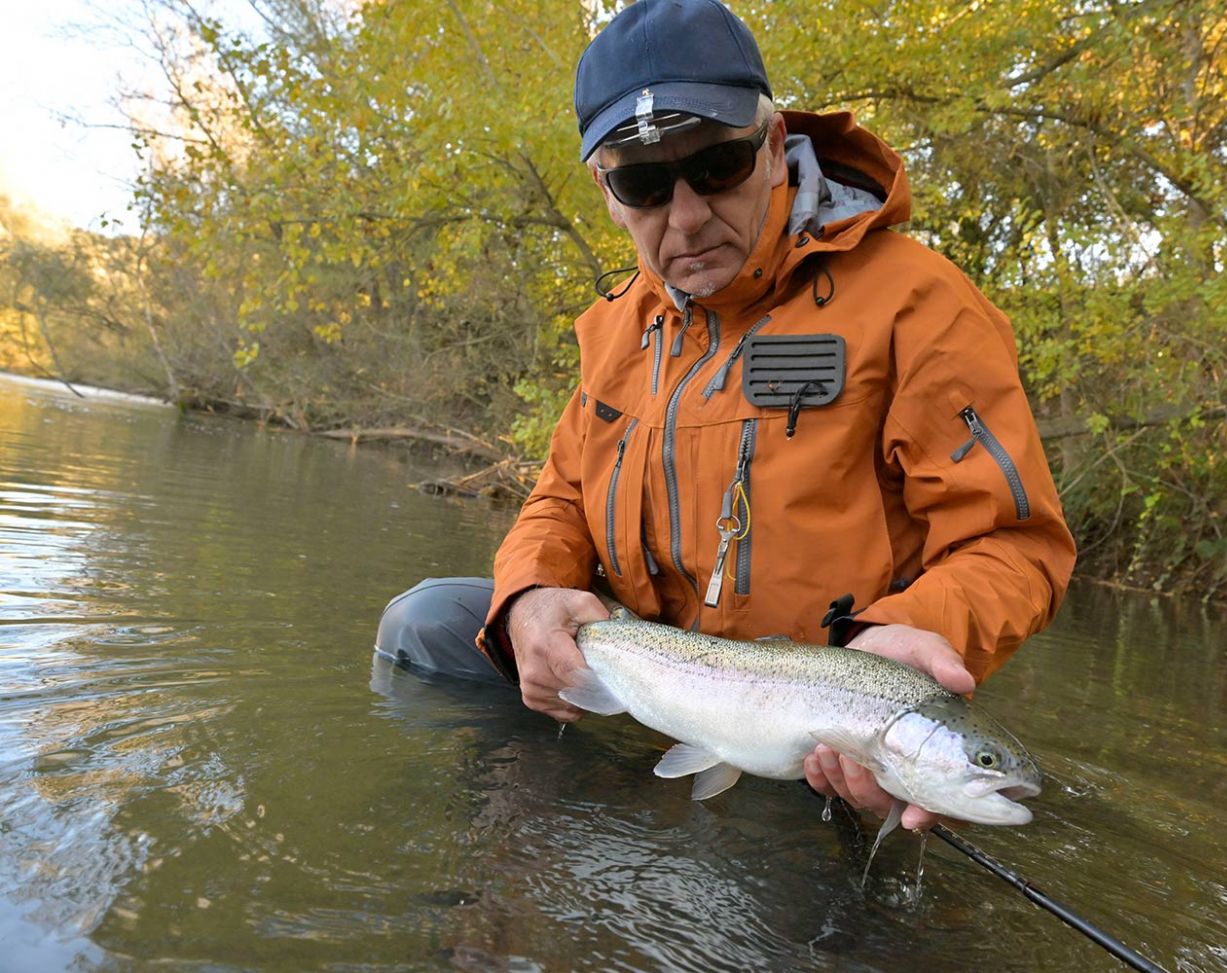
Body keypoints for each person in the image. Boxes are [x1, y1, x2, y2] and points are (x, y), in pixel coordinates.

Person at [377, 0, 1075, 832]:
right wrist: (531, 593)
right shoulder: (616, 326)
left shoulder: (917, 303)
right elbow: (560, 497)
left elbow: (1015, 542)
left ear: (775, 146)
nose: (686, 216)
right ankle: (522, 821)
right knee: (425, 627)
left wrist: (904, 643)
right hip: (652, 671)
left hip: (818, 715)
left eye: (716, 166)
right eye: (642, 183)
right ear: (606, 193)